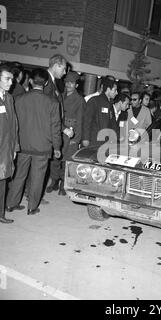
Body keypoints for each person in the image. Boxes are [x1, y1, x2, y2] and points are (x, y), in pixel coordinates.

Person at [6, 68, 61, 215]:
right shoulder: (52, 103)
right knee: (38, 178)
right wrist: (57, 146)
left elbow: (13, 124)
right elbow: (55, 128)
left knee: (19, 176)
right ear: (46, 82)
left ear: (30, 81)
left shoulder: (18, 99)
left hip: (22, 146)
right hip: (42, 148)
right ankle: (32, 207)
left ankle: (11, 204)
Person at [56, 71, 85, 196]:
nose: (68, 84)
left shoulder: (79, 100)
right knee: (55, 159)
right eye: (67, 82)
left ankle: (63, 184)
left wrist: (76, 139)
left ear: (76, 85)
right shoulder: (59, 96)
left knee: (67, 161)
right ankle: (54, 180)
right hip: (58, 131)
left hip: (71, 134)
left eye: (72, 83)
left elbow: (80, 121)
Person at [44, 54, 68, 194]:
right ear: (56, 66)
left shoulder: (52, 82)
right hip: (47, 131)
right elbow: (48, 112)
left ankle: (31, 195)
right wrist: (63, 129)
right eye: (63, 69)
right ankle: (32, 196)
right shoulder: (47, 83)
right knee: (40, 166)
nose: (64, 73)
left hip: (50, 129)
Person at [0, 64, 19, 223]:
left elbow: (14, 124)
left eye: (12, 79)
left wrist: (15, 147)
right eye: (7, 79)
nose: (11, 82)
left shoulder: (9, 98)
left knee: (2, 181)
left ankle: (0, 214)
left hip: (6, 148)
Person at [82, 77, 118, 146]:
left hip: (106, 141)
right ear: (108, 89)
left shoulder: (110, 104)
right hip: (94, 140)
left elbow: (113, 124)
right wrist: (85, 138)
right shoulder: (94, 100)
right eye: (115, 90)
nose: (116, 93)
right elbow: (87, 121)